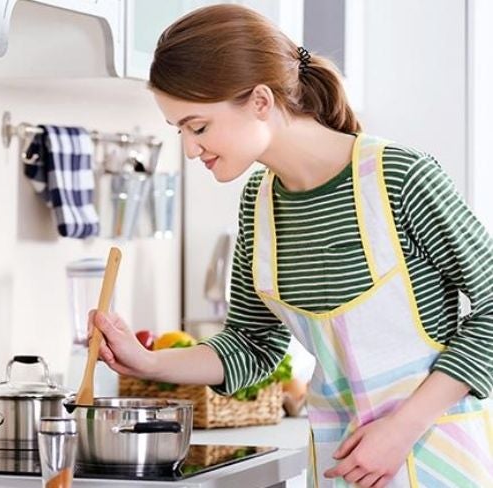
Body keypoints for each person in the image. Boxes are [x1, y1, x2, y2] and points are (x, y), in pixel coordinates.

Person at [90, 4, 493, 488]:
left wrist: (402, 428)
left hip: (436, 458)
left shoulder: (398, 178)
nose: (191, 149)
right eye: (181, 131)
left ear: (261, 101)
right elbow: (251, 345)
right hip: (339, 465)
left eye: (198, 127)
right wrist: (150, 362)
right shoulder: (259, 204)